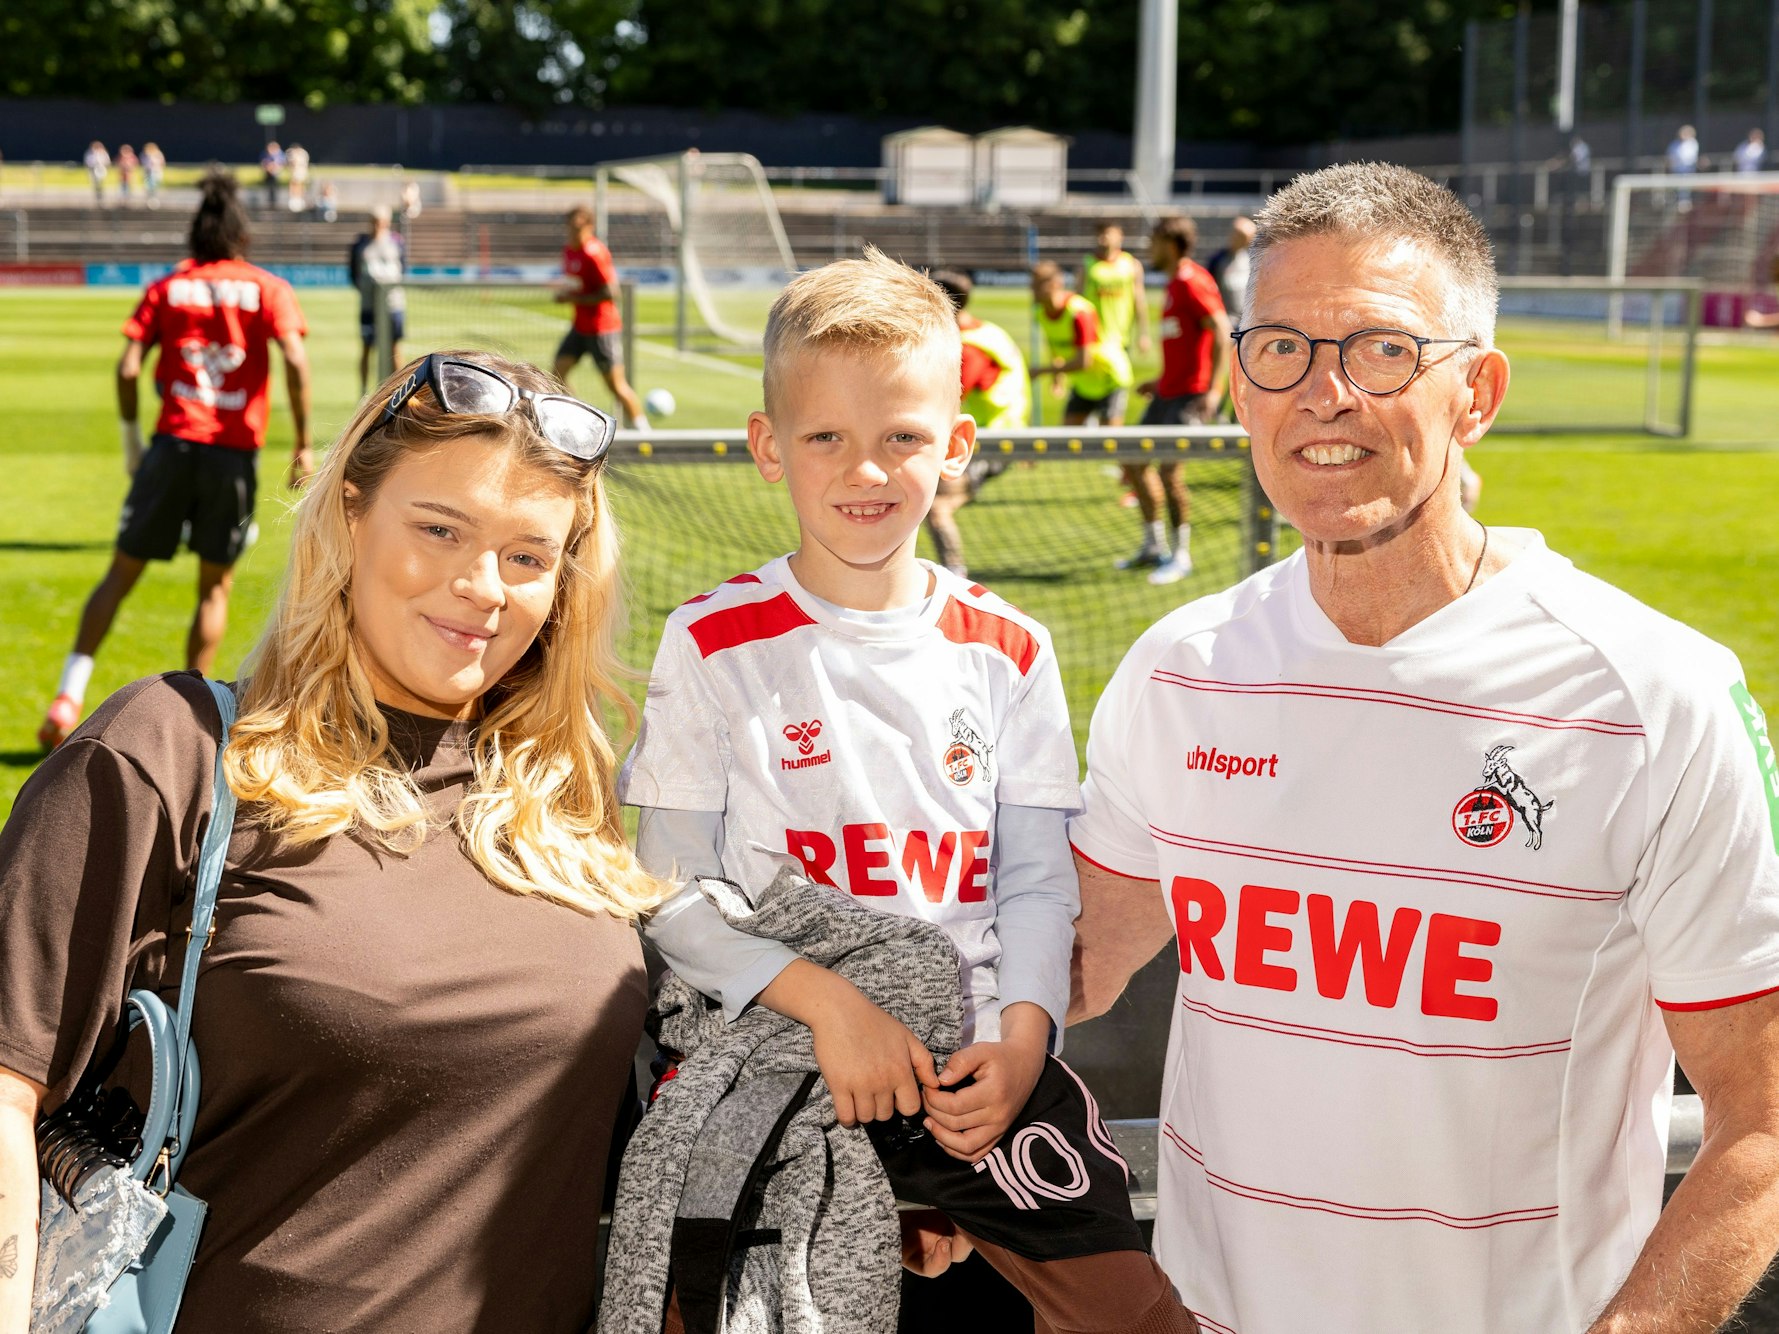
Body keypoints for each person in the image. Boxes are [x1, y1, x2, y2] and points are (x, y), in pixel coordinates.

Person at [1067, 160, 1779, 1334]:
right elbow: (1075, 961)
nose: (1323, 394)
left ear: (1477, 391)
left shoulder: (1655, 694)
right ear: (1240, 384)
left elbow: (1760, 1114)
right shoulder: (1179, 669)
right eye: (1280, 349)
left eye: (1382, 351)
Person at [1, 349, 666, 1331]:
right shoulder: (171, 753)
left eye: (528, 555)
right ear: (350, 514)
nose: (484, 585)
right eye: (440, 529)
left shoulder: (564, 804)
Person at [622, 249, 1198, 1333]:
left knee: (1138, 1318)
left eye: (902, 437)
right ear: (767, 447)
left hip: (973, 1071)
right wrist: (832, 1007)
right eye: (826, 437)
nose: (866, 469)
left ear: (958, 448)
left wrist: (1025, 1035)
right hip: (779, 1058)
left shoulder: (1008, 646)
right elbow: (671, 891)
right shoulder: (712, 640)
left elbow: (1034, 880)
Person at [37, 173, 312, 751]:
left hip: (172, 446)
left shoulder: (169, 287)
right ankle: (193, 727)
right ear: (242, 236)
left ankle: (67, 696)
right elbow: (294, 356)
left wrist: (132, 439)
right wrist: (304, 443)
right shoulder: (267, 287)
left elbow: (128, 367)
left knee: (119, 575)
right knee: (214, 589)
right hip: (232, 454)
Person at [1124, 216, 1230, 586]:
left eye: (1153, 241)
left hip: (1191, 395)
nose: (1149, 249)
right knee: (1134, 462)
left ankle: (1181, 556)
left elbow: (1222, 333)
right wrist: (1160, 381)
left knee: (1170, 472)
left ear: (1169, 244)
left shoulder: (1192, 281)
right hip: (1168, 392)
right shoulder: (1173, 284)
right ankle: (1154, 545)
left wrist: (1214, 392)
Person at [925, 267, 1029, 577]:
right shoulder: (988, 331)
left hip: (994, 442)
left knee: (937, 508)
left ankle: (956, 577)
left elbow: (949, 396)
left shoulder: (970, 347)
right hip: (999, 434)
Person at [554, 205, 648, 428]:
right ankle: (574, 421)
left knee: (615, 385)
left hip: (601, 328)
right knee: (558, 373)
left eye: (578, 227)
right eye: (570, 227)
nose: (573, 232)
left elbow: (610, 292)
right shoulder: (569, 250)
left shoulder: (595, 253)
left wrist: (573, 299)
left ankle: (644, 430)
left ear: (589, 227)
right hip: (580, 326)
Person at [1030, 259, 1133, 429]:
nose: (1032, 290)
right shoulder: (1041, 313)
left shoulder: (1079, 312)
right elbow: (1055, 345)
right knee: (1067, 440)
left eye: (1037, 285)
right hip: (1083, 384)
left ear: (1056, 284)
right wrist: (1058, 377)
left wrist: (1043, 371)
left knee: (1112, 443)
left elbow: (1084, 362)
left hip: (1109, 378)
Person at [350, 203, 406, 394]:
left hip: (393, 306)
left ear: (388, 222)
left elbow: (402, 271)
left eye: (382, 222)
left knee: (394, 349)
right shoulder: (360, 244)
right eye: (374, 221)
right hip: (369, 306)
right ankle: (363, 392)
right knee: (366, 348)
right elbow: (353, 274)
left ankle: (399, 390)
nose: (378, 225)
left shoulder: (397, 243)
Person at [1082, 221, 1151, 357]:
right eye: (1100, 233)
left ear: (1120, 236)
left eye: (1108, 233)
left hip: (1121, 338)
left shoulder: (1131, 264)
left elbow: (1139, 300)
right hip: (1095, 338)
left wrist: (1143, 334)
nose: (1104, 237)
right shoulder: (1087, 265)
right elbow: (1078, 302)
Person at [1203, 216, 1255, 328]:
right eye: (1240, 236)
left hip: (1246, 321)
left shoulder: (1251, 259)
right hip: (1226, 322)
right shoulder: (1218, 260)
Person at [259, 140, 285, 210]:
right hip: (268, 174)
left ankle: (274, 202)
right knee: (268, 188)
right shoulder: (265, 154)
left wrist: (274, 168)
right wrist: (268, 168)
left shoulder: (279, 154)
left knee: (275, 188)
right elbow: (263, 163)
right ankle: (269, 201)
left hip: (275, 174)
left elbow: (281, 163)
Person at [285, 142, 310, 211]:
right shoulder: (291, 153)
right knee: (294, 184)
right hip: (295, 171)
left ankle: (299, 199)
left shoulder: (302, 154)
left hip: (300, 171)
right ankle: (294, 198)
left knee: (299, 184)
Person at [83, 140, 109, 205]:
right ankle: (96, 194)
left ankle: (100, 194)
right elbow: (87, 161)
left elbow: (107, 161)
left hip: (100, 168)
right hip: (92, 169)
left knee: (100, 181)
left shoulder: (103, 153)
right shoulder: (89, 153)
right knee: (94, 182)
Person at [140, 141, 165, 207]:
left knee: (155, 186)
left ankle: (154, 199)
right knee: (149, 186)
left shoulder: (158, 154)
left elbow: (162, 162)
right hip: (148, 172)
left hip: (156, 171)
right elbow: (144, 163)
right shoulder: (145, 154)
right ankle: (150, 199)